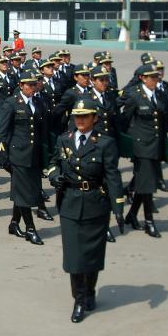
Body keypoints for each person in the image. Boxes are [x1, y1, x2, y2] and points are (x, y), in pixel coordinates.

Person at [48, 98, 125, 323]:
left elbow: (112, 175)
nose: (80, 120)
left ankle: (90, 290)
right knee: (74, 257)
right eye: (77, 116)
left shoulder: (105, 143)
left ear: (95, 118)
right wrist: (55, 176)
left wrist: (118, 207)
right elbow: (53, 163)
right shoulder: (64, 139)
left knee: (92, 254)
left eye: (85, 116)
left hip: (95, 203)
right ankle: (79, 299)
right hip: (70, 203)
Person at [0, 70, 47, 245]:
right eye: (29, 85)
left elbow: (42, 130)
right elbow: (2, 131)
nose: (33, 87)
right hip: (17, 155)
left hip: (34, 155)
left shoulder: (38, 102)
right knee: (24, 192)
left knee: (25, 191)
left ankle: (14, 223)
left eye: (35, 84)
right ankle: (30, 228)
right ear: (21, 86)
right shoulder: (12, 103)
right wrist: (2, 153)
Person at [119, 64, 167, 238]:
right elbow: (124, 119)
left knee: (144, 182)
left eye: (157, 76)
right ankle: (149, 221)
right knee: (147, 184)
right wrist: (128, 142)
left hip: (155, 145)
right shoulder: (134, 95)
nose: (156, 79)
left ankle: (132, 214)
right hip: (141, 147)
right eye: (152, 77)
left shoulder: (160, 95)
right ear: (143, 78)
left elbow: (162, 120)